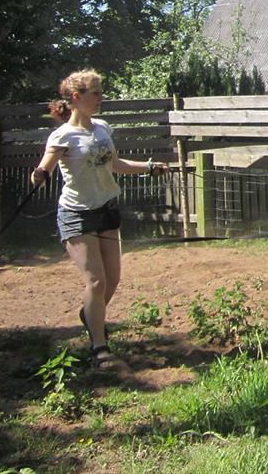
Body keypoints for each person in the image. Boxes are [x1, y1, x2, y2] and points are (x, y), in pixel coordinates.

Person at [30, 69, 168, 367]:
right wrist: (39, 175)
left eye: (101, 92)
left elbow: (115, 164)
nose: (101, 98)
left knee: (113, 280)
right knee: (96, 281)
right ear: (77, 98)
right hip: (77, 215)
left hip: (106, 210)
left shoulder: (103, 128)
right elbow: (44, 169)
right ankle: (99, 348)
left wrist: (149, 166)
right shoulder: (63, 135)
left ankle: (89, 316)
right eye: (96, 93)